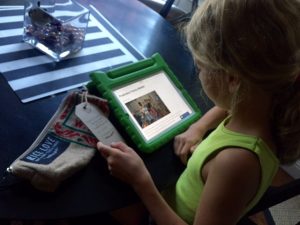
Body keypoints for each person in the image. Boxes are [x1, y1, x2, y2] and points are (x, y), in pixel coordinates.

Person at [97, 0, 300, 224]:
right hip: (178, 193)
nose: (198, 71)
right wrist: (199, 126)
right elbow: (228, 105)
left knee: (98, 199)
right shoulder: (263, 106)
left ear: (232, 78)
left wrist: (141, 182)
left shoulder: (236, 163)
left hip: (164, 214)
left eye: (200, 67)